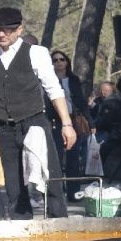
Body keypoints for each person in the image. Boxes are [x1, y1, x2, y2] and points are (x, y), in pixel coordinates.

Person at [0, 6, 76, 218]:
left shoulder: (36, 53)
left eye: (7, 29)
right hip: (4, 128)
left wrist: (67, 124)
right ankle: (24, 234)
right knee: (13, 187)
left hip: (34, 122)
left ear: (19, 30)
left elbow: (54, 89)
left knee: (51, 180)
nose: (1, 34)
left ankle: (62, 233)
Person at [50, 49, 90, 181]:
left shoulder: (73, 80)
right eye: (55, 60)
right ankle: (57, 190)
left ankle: (73, 190)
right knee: (56, 157)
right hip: (54, 121)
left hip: (73, 120)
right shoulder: (48, 80)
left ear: (67, 62)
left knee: (73, 156)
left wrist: (90, 121)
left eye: (62, 59)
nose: (59, 62)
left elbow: (80, 101)